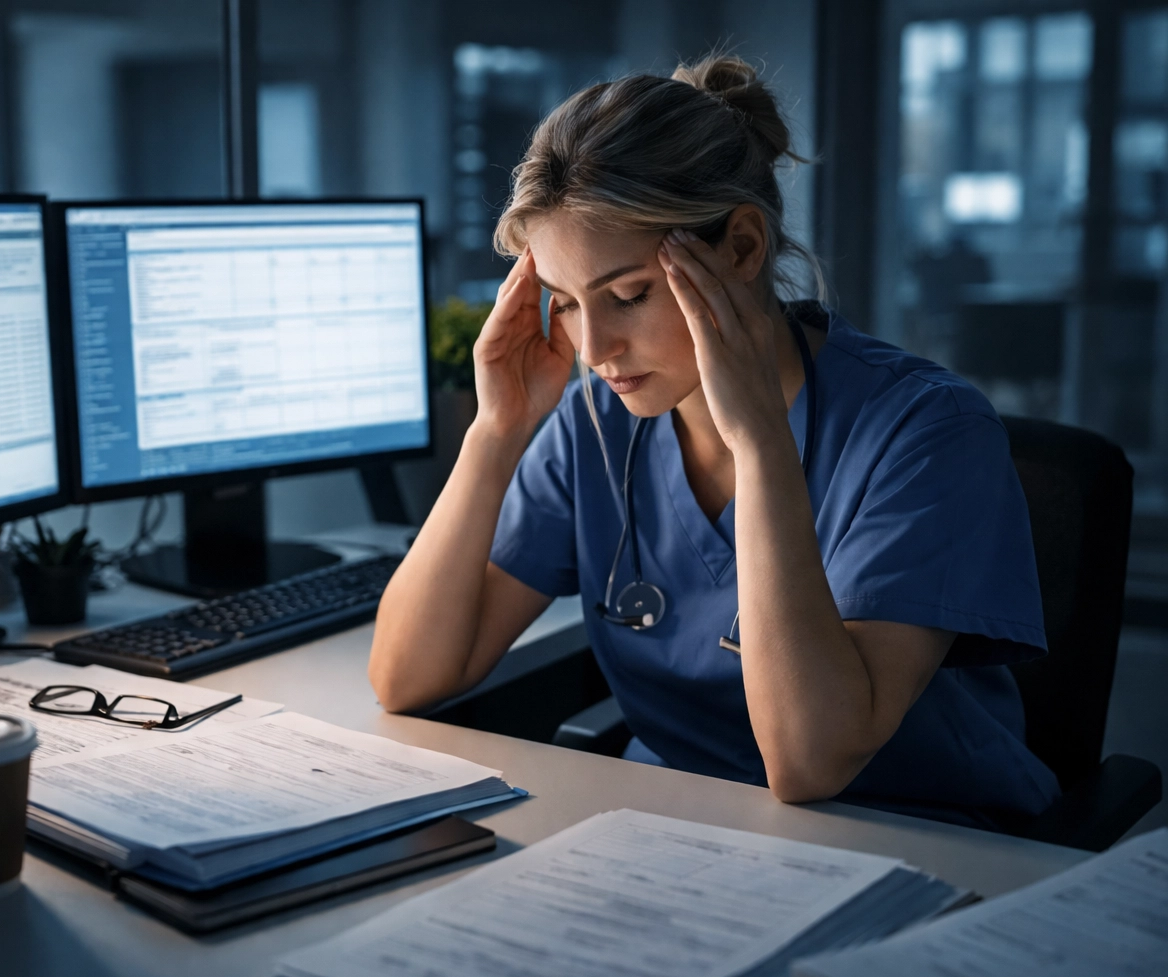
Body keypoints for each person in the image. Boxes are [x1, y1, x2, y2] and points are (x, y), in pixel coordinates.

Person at [369, 55, 1060, 829]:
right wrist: (494, 433)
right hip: (691, 836)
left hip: (924, 840)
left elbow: (810, 762)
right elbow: (407, 676)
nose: (594, 348)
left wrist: (761, 445)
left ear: (740, 248)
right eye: (563, 304)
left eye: (628, 296)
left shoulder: (926, 432)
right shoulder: (596, 424)